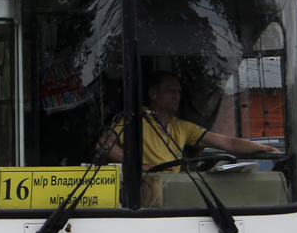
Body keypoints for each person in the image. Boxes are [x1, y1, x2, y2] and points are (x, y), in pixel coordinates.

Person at [101, 71, 277, 170]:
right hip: (144, 195)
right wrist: (145, 167)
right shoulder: (136, 119)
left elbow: (227, 143)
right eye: (171, 91)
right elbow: (104, 144)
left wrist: (267, 149)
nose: (177, 96)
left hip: (176, 194)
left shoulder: (182, 127)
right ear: (154, 94)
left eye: (179, 91)